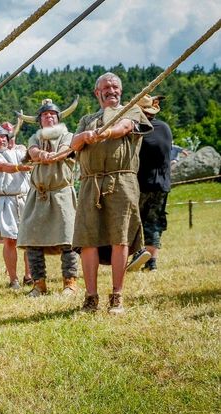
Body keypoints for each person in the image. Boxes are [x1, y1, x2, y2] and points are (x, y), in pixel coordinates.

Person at [71, 72, 152, 314]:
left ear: (121, 90)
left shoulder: (132, 111)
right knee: (88, 240)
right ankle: (91, 297)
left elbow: (124, 128)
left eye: (115, 86)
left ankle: (117, 296)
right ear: (97, 93)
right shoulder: (87, 118)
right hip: (90, 183)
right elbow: (73, 145)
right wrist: (85, 136)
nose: (111, 90)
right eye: (106, 87)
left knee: (120, 237)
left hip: (122, 181)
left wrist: (105, 133)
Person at [17, 99, 80, 297]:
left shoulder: (68, 136)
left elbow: (66, 149)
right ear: (40, 120)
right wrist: (40, 154)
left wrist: (55, 155)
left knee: (67, 239)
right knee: (32, 239)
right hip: (38, 194)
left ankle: (70, 283)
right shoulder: (34, 139)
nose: (49, 117)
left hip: (61, 192)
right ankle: (39, 285)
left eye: (52, 114)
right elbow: (32, 151)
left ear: (58, 118)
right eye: (45, 115)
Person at [0, 125, 33, 289]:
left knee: (28, 241)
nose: (1, 139)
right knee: (10, 240)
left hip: (24, 199)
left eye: (4, 137)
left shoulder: (18, 152)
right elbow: (2, 167)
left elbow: (30, 155)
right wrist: (20, 167)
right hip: (3, 201)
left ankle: (29, 276)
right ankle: (13, 279)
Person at [131, 94, 172, 272]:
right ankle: (151, 263)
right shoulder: (164, 127)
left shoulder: (140, 130)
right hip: (162, 184)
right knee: (154, 222)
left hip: (142, 184)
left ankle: (138, 255)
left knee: (136, 222)